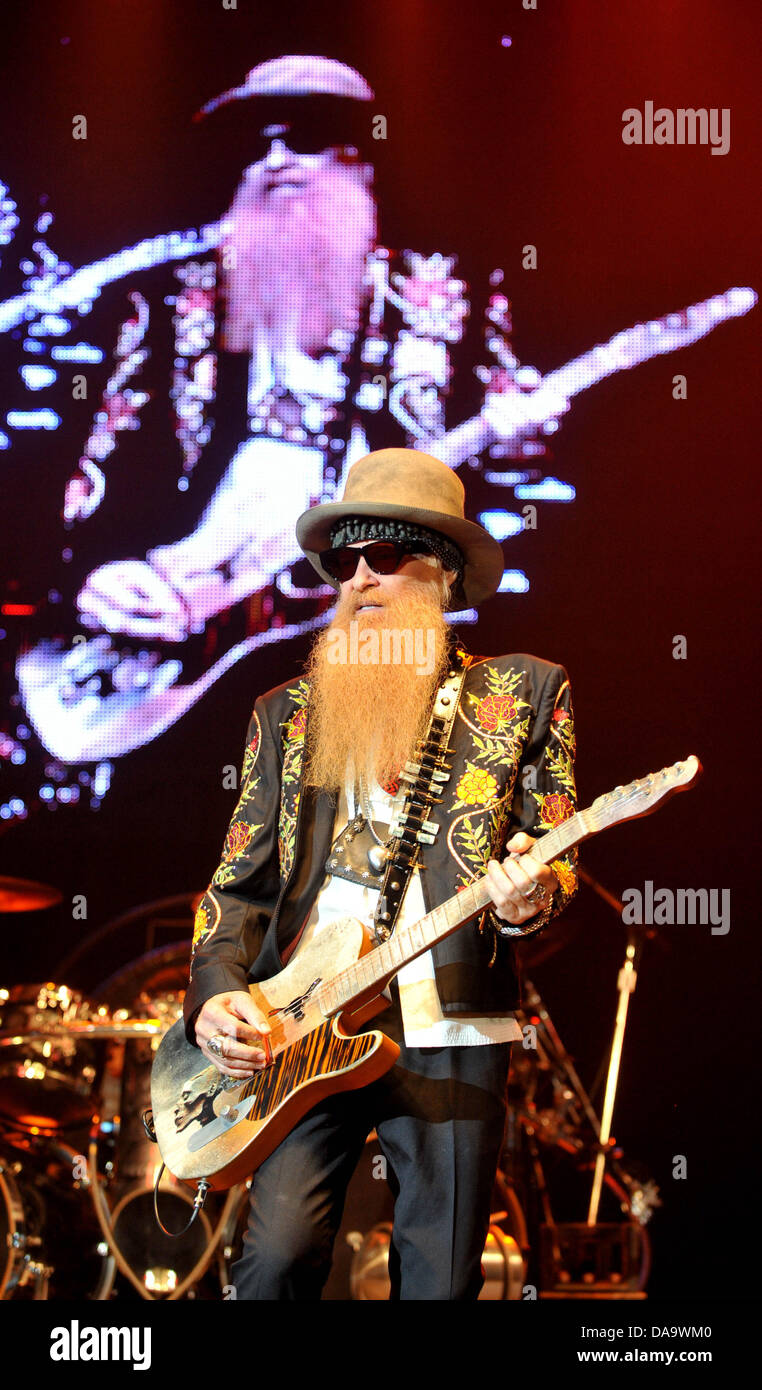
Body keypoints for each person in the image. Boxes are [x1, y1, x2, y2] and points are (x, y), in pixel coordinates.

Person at [183, 445, 578, 1300]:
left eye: (385, 555)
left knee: (437, 1283)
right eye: (342, 560)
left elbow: (557, 863)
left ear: (441, 575)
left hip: (451, 1028)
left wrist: (526, 897)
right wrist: (215, 990)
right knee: (273, 1263)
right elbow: (237, 885)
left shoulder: (524, 696)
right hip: (306, 1023)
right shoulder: (283, 716)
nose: (358, 579)